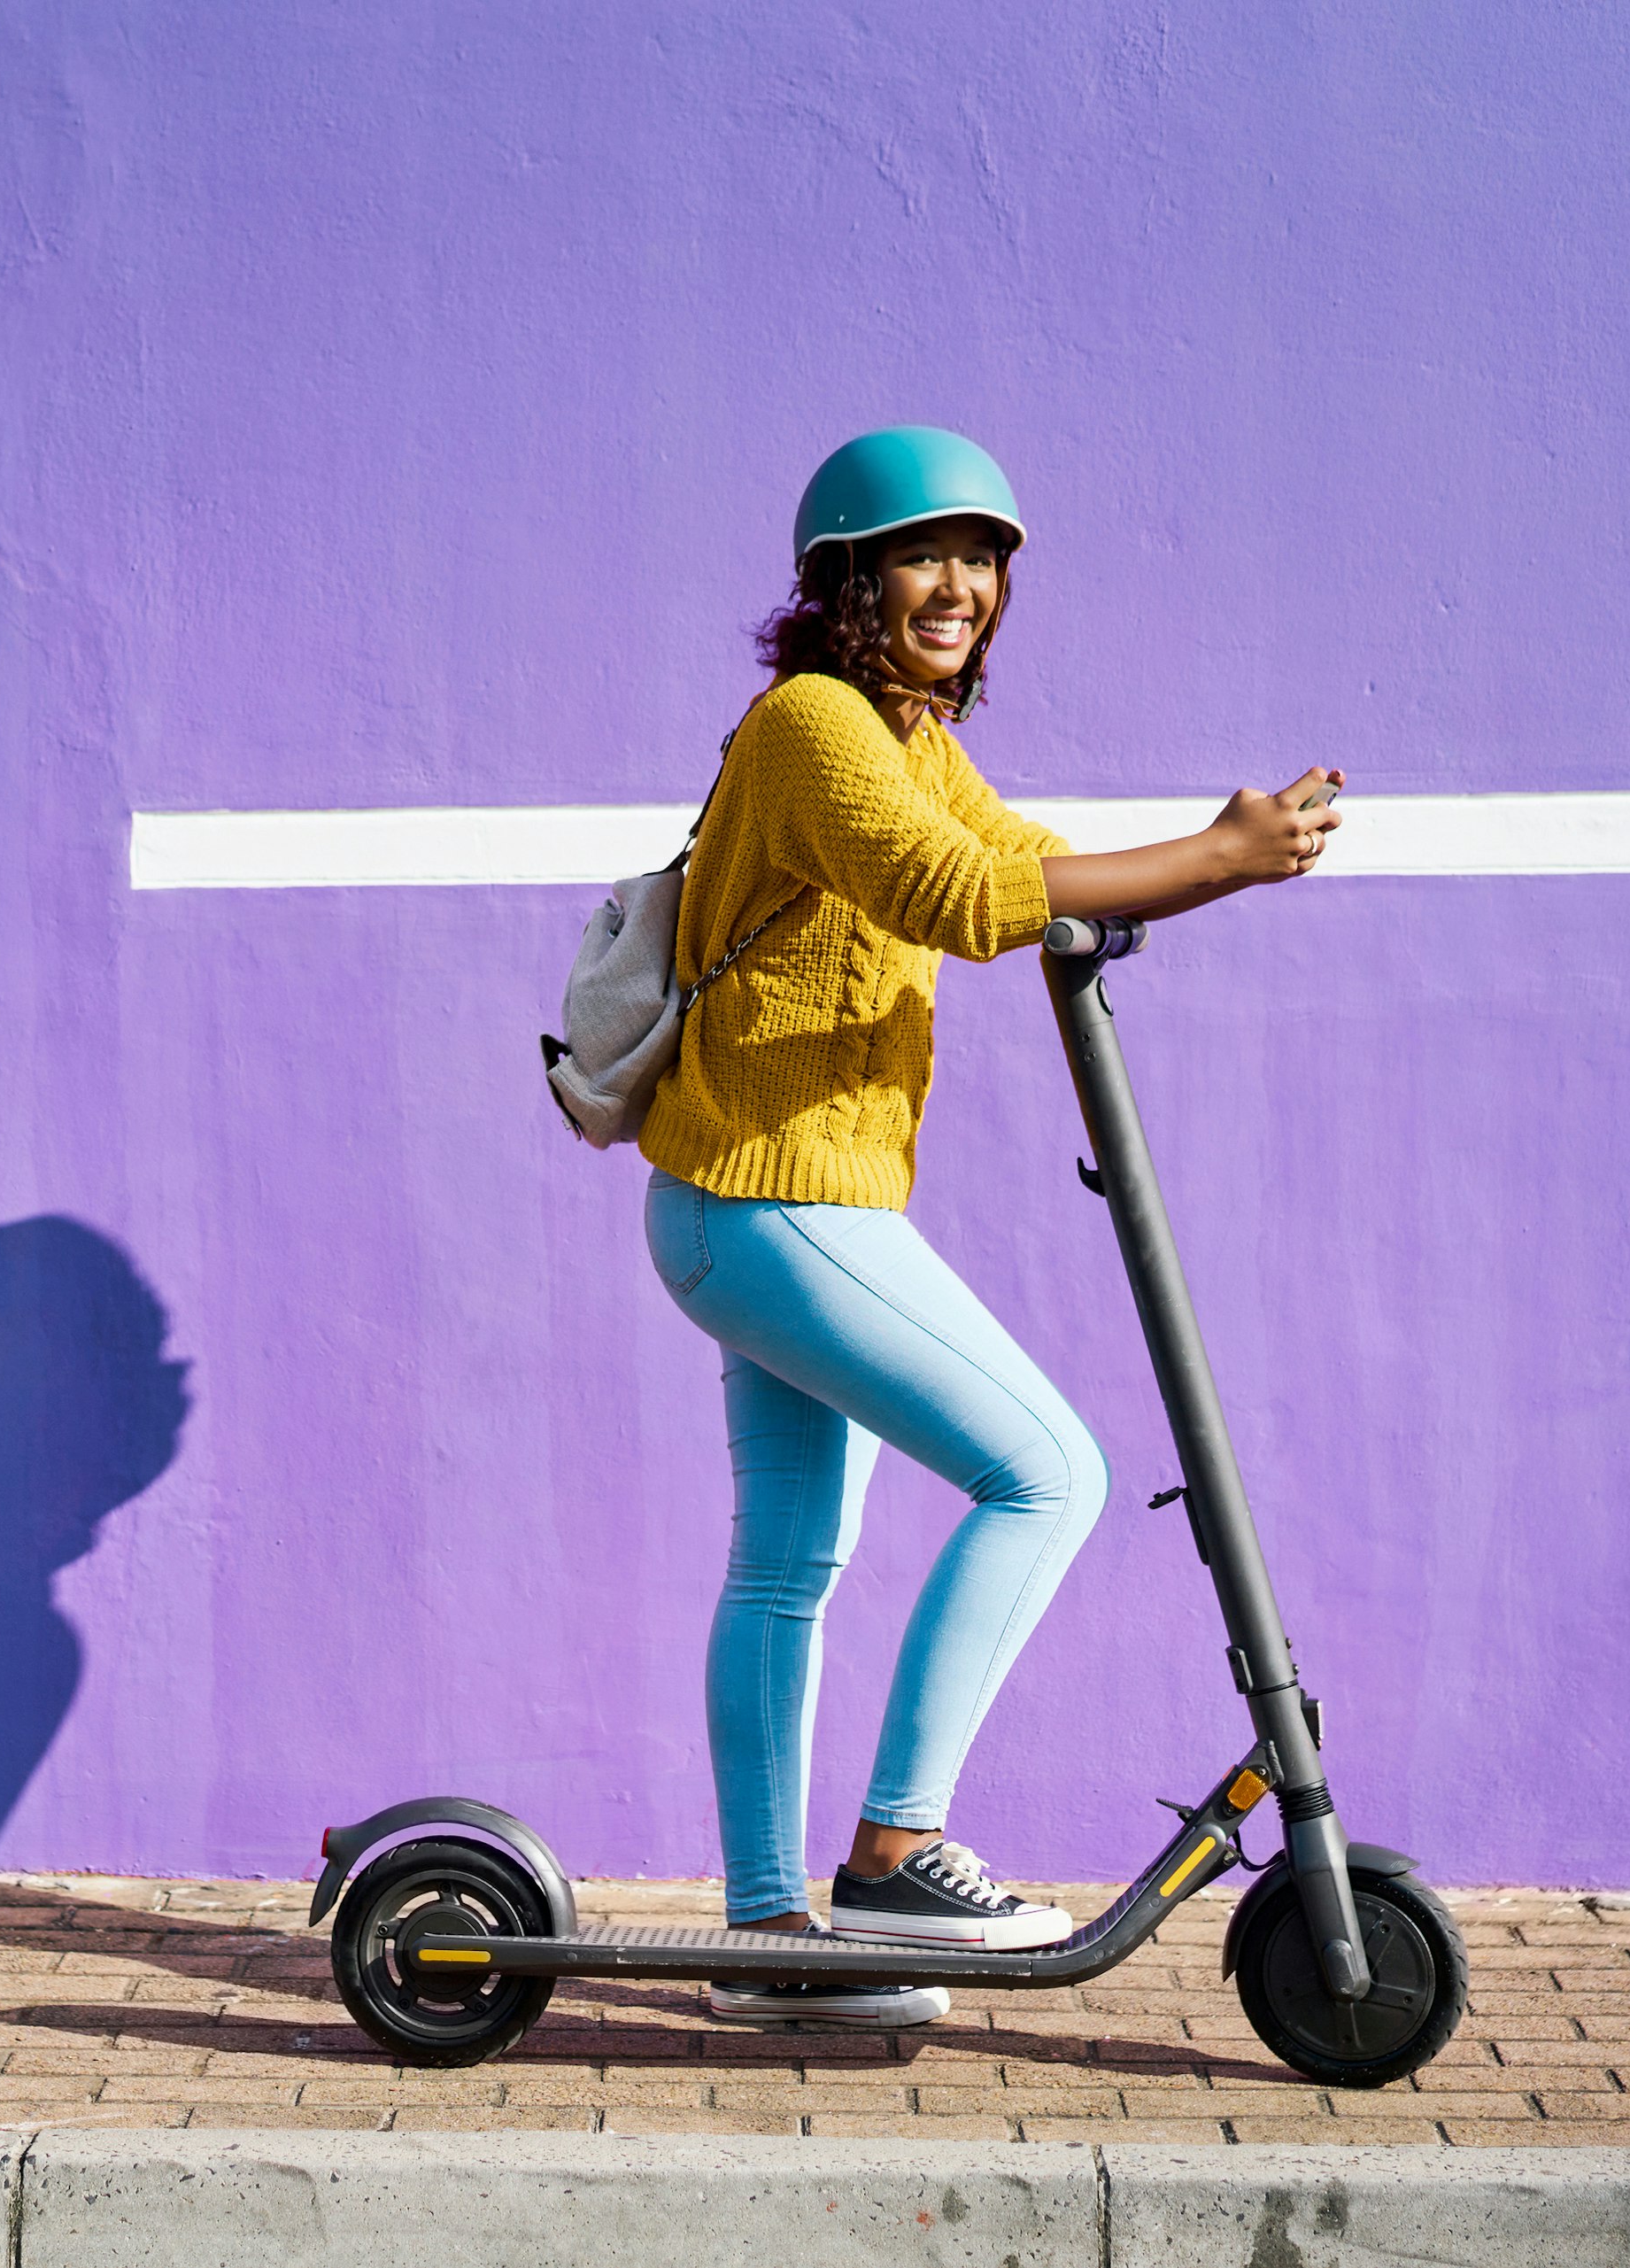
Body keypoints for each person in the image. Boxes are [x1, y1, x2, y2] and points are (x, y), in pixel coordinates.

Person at [641, 427, 1340, 2029]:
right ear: (848, 578)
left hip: (760, 1204)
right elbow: (953, 900)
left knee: (787, 1564)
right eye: (922, 554)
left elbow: (1018, 861)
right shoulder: (816, 725)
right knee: (1050, 1471)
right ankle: (897, 1851)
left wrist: (1223, 858)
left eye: (980, 558)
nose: (958, 584)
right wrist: (1220, 856)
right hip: (770, 1196)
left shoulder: (907, 736)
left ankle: (775, 1933)